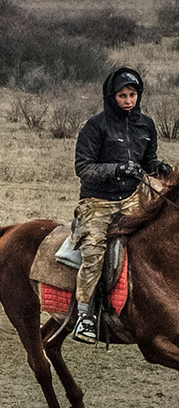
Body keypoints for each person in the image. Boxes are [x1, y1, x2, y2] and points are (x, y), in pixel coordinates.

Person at [71, 66, 171, 343]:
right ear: (110, 96)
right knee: (94, 253)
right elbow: (83, 168)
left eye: (133, 95)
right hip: (97, 202)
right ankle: (84, 316)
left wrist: (158, 167)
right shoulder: (95, 126)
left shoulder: (146, 125)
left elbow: (148, 161)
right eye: (122, 96)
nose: (129, 101)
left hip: (132, 199)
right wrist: (116, 169)